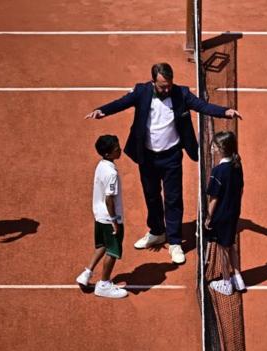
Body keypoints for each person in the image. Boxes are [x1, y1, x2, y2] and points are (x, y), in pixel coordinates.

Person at [85, 63, 241, 264]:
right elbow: (121, 103)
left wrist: (225, 111)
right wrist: (102, 110)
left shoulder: (181, 94)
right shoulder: (141, 92)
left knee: (173, 199)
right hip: (147, 157)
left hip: (172, 156)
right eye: (162, 86)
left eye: (169, 85)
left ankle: (175, 241)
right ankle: (157, 231)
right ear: (153, 82)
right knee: (151, 196)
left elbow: (202, 106)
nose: (167, 89)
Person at [75, 135, 128, 298]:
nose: (120, 149)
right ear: (107, 153)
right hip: (109, 218)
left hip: (99, 215)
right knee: (113, 251)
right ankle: (104, 284)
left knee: (102, 245)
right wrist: (114, 222)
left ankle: (86, 273)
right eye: (116, 148)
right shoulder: (111, 172)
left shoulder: (101, 165)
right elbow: (109, 198)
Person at [204, 131, 245, 295]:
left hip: (221, 216)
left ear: (221, 148)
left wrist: (208, 217)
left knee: (222, 248)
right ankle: (238, 278)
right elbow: (241, 189)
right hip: (234, 213)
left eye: (214, 146)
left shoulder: (218, 171)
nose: (211, 148)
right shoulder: (237, 165)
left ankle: (227, 283)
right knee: (231, 244)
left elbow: (214, 199)